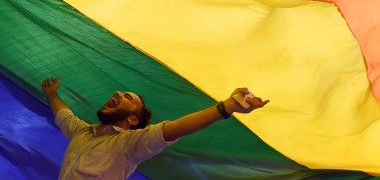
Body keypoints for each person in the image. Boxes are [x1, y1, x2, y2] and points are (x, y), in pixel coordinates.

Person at [42, 77, 269, 179]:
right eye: (119, 93)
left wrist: (228, 106)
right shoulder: (82, 131)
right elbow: (63, 114)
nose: (118, 94)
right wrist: (52, 94)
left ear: (132, 120)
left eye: (127, 97)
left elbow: (177, 128)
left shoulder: (130, 144)